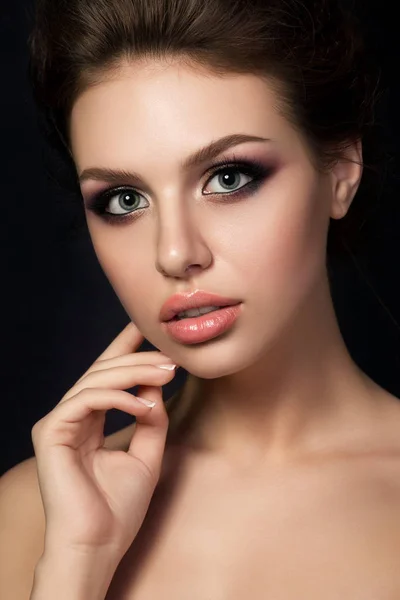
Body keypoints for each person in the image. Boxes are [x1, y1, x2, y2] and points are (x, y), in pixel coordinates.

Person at [1, 0, 400, 598]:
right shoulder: (33, 515)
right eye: (125, 201)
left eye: (229, 178)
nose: (174, 253)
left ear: (341, 169)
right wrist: (75, 564)